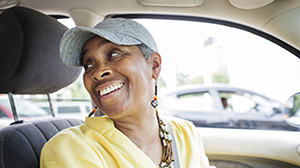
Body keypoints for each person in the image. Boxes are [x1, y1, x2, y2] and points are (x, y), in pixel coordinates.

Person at [40, 18, 215, 168]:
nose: (98, 72)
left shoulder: (185, 133)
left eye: (114, 54)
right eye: (89, 65)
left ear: (154, 65)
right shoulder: (71, 147)